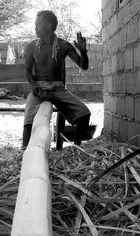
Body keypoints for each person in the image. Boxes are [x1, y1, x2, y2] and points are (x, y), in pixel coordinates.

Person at [22, 10, 91, 148]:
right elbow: (28, 71)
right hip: (39, 89)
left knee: (84, 114)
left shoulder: (64, 46)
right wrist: (34, 86)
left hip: (58, 89)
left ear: (48, 25)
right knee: (29, 120)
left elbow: (84, 66)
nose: (35, 28)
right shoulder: (32, 46)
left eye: (38, 25)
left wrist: (83, 52)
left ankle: (76, 148)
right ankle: (24, 150)